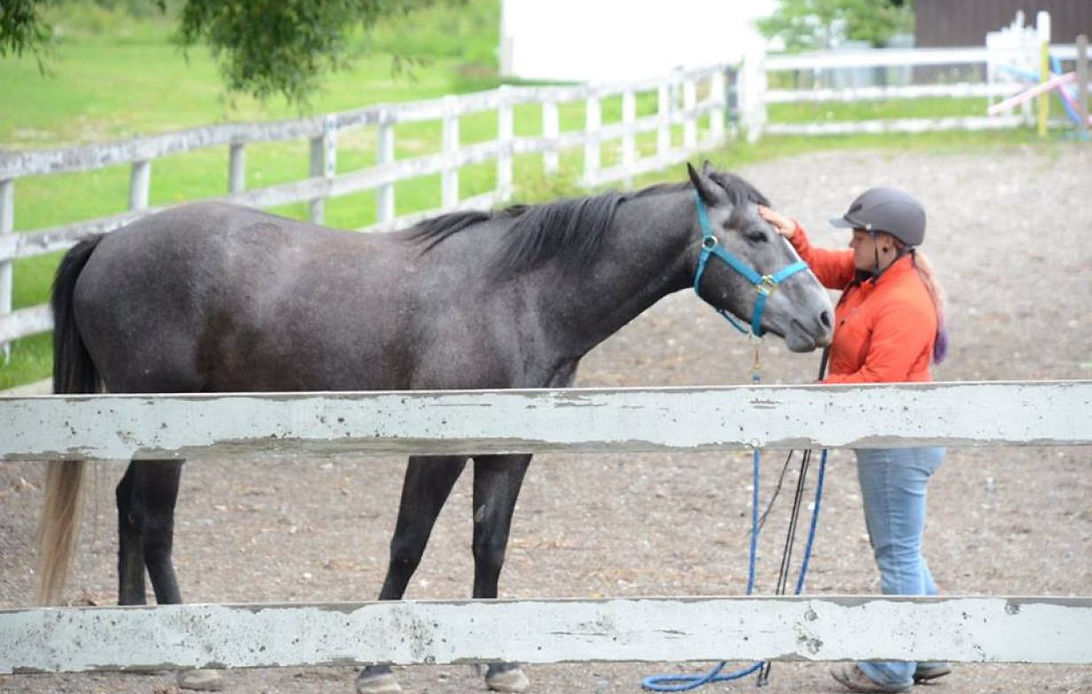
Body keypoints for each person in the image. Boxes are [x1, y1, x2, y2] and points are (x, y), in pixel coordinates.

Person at [759, 188, 950, 693]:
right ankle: (929, 649)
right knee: (903, 548)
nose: (851, 242)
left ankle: (891, 667)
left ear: (885, 242)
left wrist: (815, 395)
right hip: (893, 437)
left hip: (896, 441)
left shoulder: (903, 302)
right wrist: (792, 232)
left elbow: (878, 382)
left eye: (858, 234)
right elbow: (823, 265)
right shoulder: (875, 276)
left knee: (897, 555)